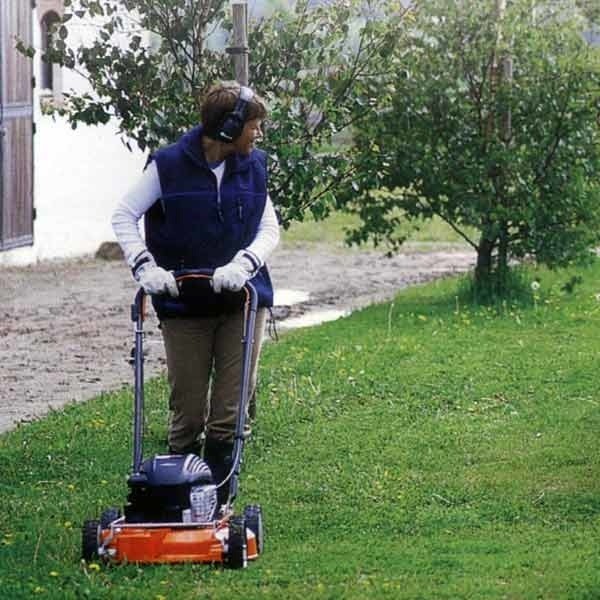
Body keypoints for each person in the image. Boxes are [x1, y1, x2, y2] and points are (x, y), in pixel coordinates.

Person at [111, 81, 280, 505]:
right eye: (253, 126)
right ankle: (177, 496)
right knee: (187, 409)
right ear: (229, 127)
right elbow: (124, 214)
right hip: (184, 302)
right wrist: (145, 266)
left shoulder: (253, 166)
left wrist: (244, 264)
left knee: (229, 410)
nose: (257, 134)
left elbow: (268, 229)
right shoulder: (167, 166)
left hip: (241, 300)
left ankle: (219, 500)